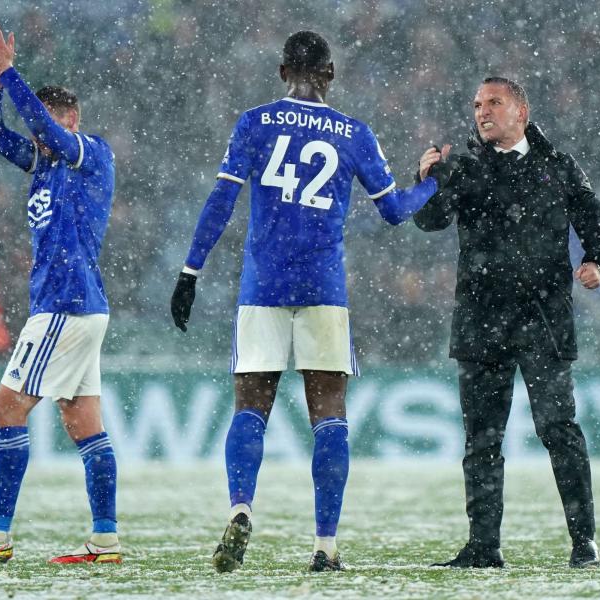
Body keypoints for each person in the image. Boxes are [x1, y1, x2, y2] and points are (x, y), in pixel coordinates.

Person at [169, 30, 455, 573]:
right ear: (329, 74)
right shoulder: (353, 133)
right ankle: (324, 545)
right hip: (323, 288)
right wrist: (431, 182)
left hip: (263, 285)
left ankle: (240, 507)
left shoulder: (254, 122)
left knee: (250, 406)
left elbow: (222, 199)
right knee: (329, 414)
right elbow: (396, 212)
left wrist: (190, 271)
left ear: (282, 72)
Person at [414, 77, 600, 569]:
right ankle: (484, 547)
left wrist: (597, 264)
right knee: (481, 440)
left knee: (559, 430)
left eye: (494, 103)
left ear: (521, 112)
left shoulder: (560, 166)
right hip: (481, 322)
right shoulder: (460, 166)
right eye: (477, 105)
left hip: (543, 323)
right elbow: (430, 221)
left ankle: (583, 541)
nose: (482, 112)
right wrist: (425, 180)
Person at [0, 23, 119, 564]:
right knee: (83, 421)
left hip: (65, 306)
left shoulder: (90, 153)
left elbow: (43, 124)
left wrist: (11, 71)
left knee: (5, 411)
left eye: (53, 124)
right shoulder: (42, 163)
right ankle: (105, 540)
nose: (43, 136)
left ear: (73, 120)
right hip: (77, 306)